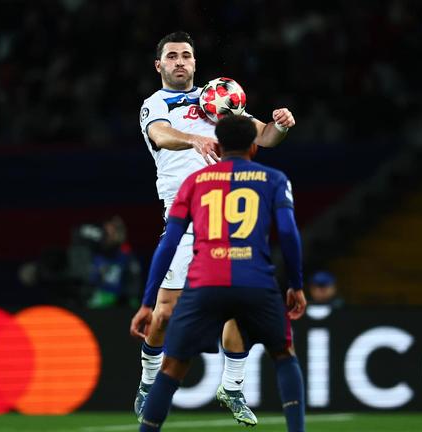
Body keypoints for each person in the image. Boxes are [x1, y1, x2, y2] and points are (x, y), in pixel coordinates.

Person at [129, 30, 296, 425]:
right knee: (165, 314)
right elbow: (160, 135)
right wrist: (193, 140)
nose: (180, 62)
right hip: (185, 215)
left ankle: (233, 386)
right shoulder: (154, 105)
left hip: (229, 217)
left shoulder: (217, 95)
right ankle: (149, 380)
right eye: (172, 56)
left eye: (186, 55)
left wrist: (281, 125)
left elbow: (264, 136)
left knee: (238, 305)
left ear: (194, 62)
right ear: (159, 66)